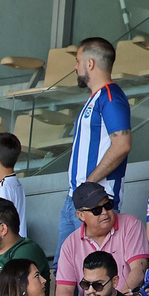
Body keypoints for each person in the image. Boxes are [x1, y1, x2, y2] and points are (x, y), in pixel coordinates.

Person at [59, 37, 131, 251]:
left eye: (78, 61)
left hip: (96, 204)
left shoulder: (110, 96)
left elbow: (122, 144)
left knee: (91, 273)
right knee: (65, 272)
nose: (75, 67)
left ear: (90, 64)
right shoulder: (96, 97)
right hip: (78, 199)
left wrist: (88, 184)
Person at [54, 182, 149, 296]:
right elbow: (63, 293)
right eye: (96, 210)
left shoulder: (130, 224)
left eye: (108, 205)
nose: (105, 212)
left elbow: (139, 270)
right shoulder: (70, 244)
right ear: (80, 215)